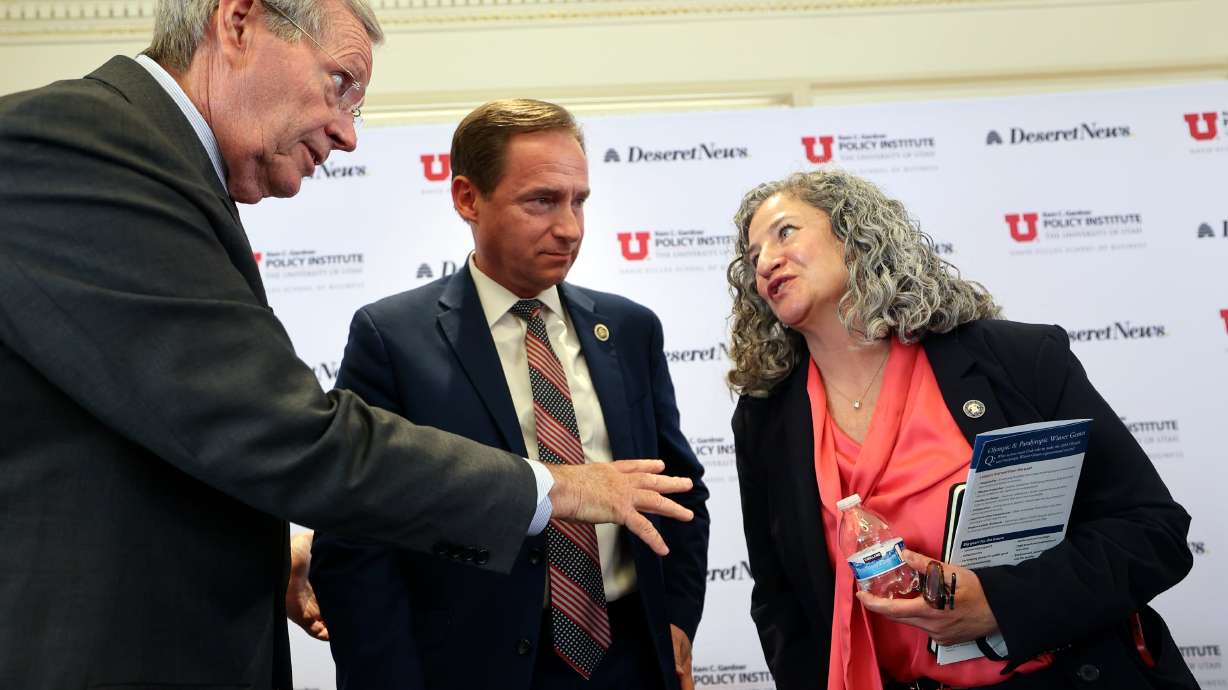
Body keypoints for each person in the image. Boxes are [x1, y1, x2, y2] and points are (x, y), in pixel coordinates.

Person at [0, 4, 695, 689]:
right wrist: (553, 485)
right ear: (239, 22)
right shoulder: (85, 145)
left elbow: (162, 435)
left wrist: (273, 550)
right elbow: (284, 431)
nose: (346, 135)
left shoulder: (165, 171)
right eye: (341, 84)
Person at [726, 170, 1198, 690]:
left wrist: (1000, 604)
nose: (765, 260)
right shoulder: (764, 419)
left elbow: (1151, 532)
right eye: (752, 257)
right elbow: (779, 600)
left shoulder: (1015, 361)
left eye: (785, 232)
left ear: (854, 233)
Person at [310, 99, 710, 690]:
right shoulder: (392, 339)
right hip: (474, 666)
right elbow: (355, 536)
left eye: (579, 201)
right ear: (468, 199)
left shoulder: (629, 330)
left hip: (629, 659)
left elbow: (678, 489)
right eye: (542, 201)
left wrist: (676, 619)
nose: (569, 227)